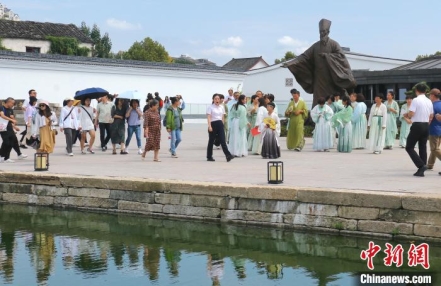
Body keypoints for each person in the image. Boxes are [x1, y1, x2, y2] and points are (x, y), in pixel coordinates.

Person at [284, 19, 356, 106]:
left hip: (332, 77)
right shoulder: (316, 46)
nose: (322, 34)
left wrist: (327, 56)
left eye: (324, 31)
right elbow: (304, 56)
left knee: (336, 98)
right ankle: (314, 117)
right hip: (319, 79)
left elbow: (341, 57)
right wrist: (290, 63)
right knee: (317, 100)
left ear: (328, 31)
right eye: (320, 32)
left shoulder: (334, 44)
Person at [405, 83, 434, 177]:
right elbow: (431, 115)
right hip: (426, 124)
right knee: (422, 146)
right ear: (425, 91)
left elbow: (411, 113)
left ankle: (421, 165)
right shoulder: (429, 101)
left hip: (417, 125)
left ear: (416, 90)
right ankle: (422, 167)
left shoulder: (416, 100)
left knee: (409, 147)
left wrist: (407, 115)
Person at [206, 94, 234, 162]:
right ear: (213, 100)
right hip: (213, 124)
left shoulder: (222, 107)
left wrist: (222, 124)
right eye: (215, 99)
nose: (217, 100)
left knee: (223, 140)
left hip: (220, 124)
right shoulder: (210, 107)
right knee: (211, 141)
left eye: (218, 99)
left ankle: (228, 155)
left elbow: (222, 117)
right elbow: (209, 117)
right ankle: (209, 156)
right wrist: (209, 126)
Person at [0, 97, 27, 162]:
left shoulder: (11, 110)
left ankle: (6, 157)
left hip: (9, 128)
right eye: (12, 103)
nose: (13, 105)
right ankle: (2, 156)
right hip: (3, 128)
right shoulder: (1, 108)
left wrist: (15, 127)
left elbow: (12, 120)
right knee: (6, 143)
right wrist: (11, 119)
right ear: (8, 102)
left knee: (12, 142)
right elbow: (2, 116)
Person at [427, 89, 441, 171]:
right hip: (440, 129)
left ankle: (430, 164)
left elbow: (430, 119)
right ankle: (430, 164)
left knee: (434, 149)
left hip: (434, 130)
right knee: (435, 148)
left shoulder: (431, 106)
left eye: (429, 95)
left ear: (432, 95)